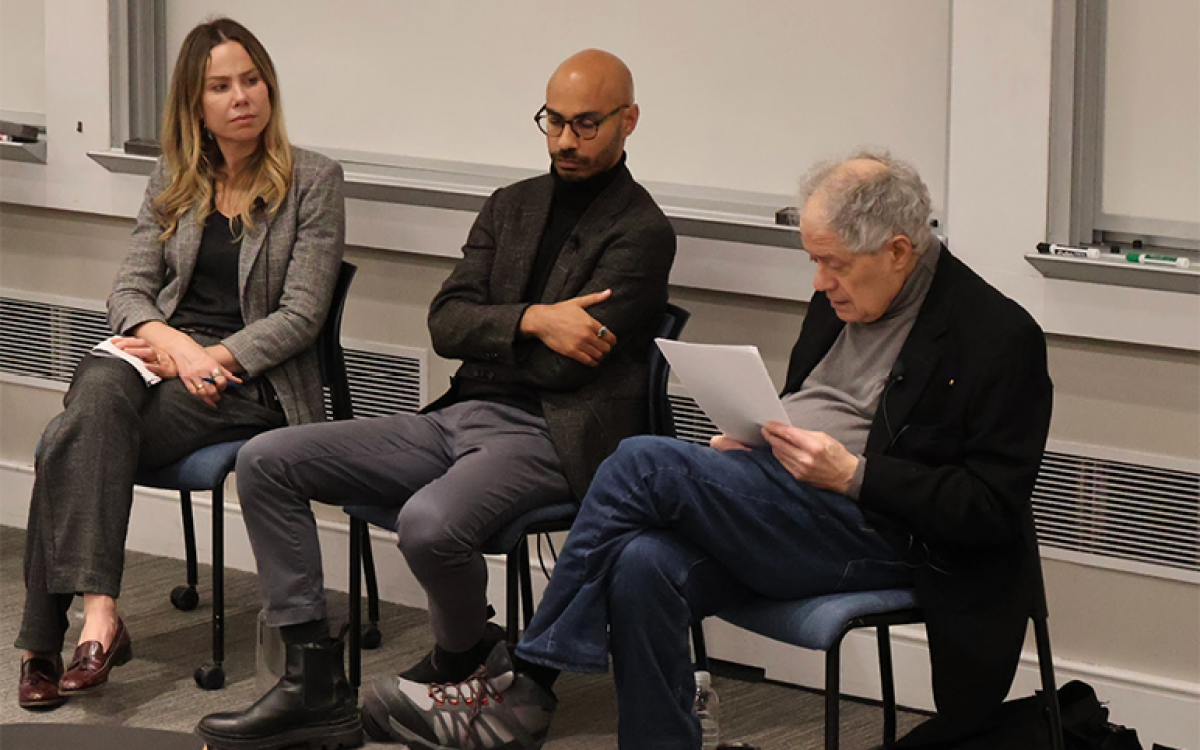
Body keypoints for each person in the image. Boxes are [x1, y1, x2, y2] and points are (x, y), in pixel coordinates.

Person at [375, 152, 1054, 750]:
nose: (820, 283)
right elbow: (822, 402)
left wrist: (855, 475)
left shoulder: (996, 337)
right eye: (814, 261)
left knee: (644, 461)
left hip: (886, 533)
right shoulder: (848, 295)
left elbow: (990, 509)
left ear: (900, 251)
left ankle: (528, 686)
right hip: (789, 497)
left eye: (835, 265)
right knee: (644, 562)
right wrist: (761, 430)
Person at [196, 49, 676, 750]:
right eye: (553, 122)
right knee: (267, 458)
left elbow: (569, 373)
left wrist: (497, 328)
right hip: (455, 416)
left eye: (586, 125)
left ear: (628, 121)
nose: (565, 141)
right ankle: (313, 685)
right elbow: (446, 322)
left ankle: (460, 657)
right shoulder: (510, 205)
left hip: (546, 433)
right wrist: (537, 320)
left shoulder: (642, 232)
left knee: (428, 523)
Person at [15, 17, 345, 714]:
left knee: (64, 438)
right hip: (161, 354)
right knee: (96, 398)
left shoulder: (313, 180)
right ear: (196, 105)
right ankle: (102, 613)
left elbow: (300, 316)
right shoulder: (175, 176)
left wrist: (208, 358)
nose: (241, 97)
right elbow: (128, 290)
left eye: (250, 80)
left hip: (247, 378)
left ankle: (42, 642)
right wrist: (173, 346)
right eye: (221, 86)